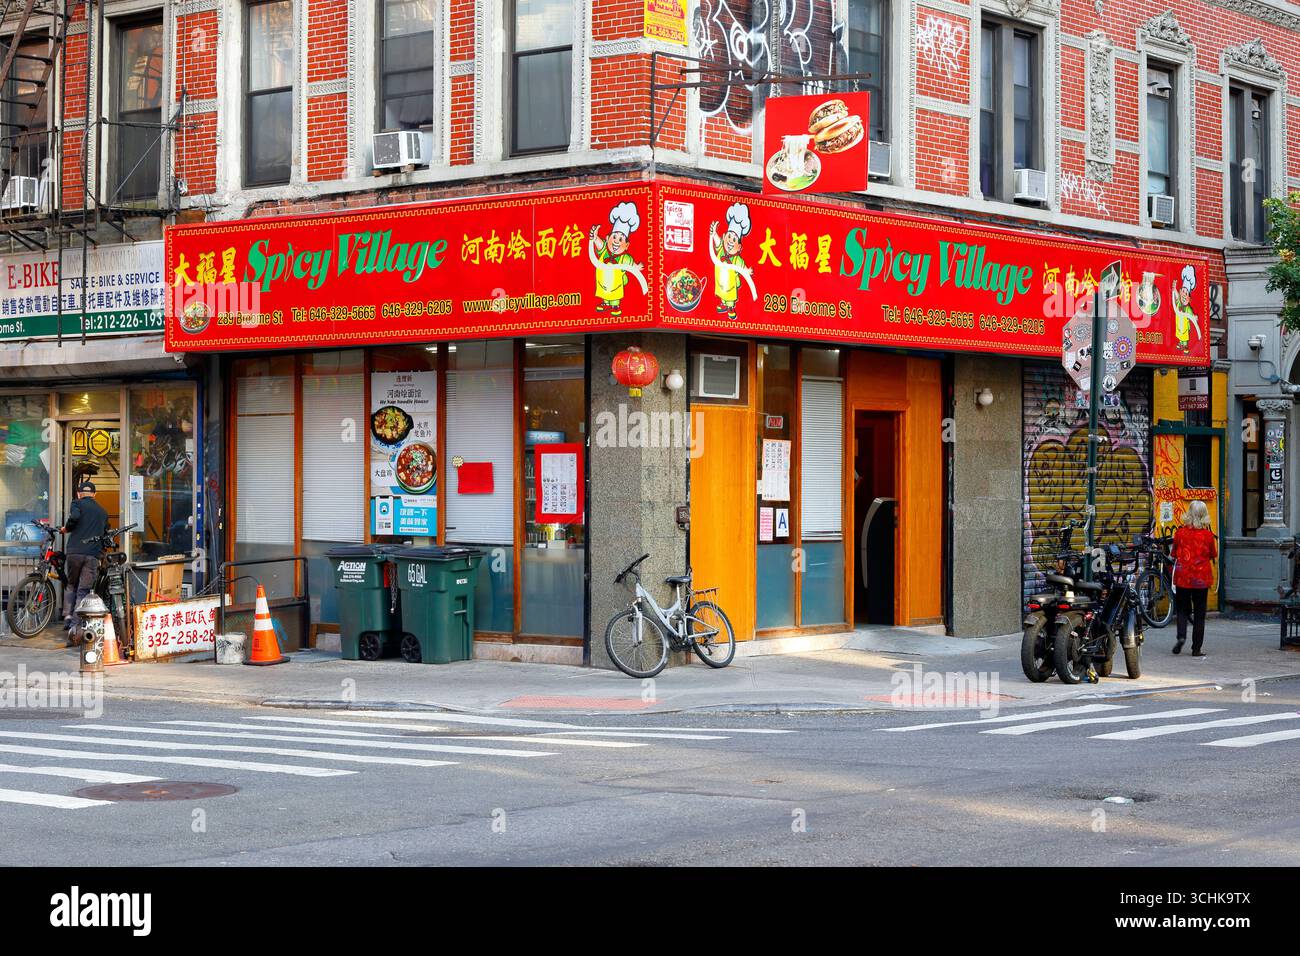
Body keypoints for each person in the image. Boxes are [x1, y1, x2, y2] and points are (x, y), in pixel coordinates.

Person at [62, 481, 109, 645]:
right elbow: (106, 533)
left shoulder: (76, 503)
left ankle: (67, 617)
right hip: (92, 555)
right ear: (95, 495)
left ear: (79, 493)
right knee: (83, 591)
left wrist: (66, 528)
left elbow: (74, 517)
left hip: (74, 552)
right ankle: (75, 631)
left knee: (71, 585)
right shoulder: (102, 512)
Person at [1172, 500, 1217, 658]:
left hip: (1183, 576)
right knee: (1199, 614)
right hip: (1201, 578)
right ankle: (1196, 648)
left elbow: (1174, 553)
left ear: (1189, 513)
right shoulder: (1208, 535)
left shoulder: (1180, 533)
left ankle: (1181, 636)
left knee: (1182, 610)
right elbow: (1213, 554)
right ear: (1204, 515)